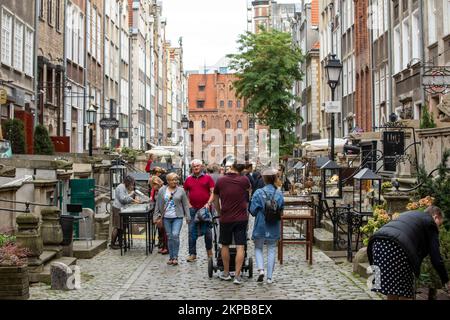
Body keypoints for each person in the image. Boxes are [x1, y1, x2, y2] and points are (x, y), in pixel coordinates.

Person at [367, 206, 450, 300]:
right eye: (440, 224)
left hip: (377, 243)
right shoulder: (430, 223)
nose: (439, 228)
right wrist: (446, 280)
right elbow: (436, 257)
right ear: (435, 217)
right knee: (405, 292)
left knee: (392, 289)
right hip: (397, 247)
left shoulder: (411, 215)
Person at [213, 162, 252, 285]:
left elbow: (215, 199)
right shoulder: (244, 180)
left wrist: (219, 212)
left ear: (230, 169)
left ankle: (225, 273)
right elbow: (248, 195)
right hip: (241, 218)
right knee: (240, 245)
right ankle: (237, 275)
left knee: (225, 245)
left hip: (226, 218)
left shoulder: (220, 180)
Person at [249, 168, 284, 284]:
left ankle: (261, 270)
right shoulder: (279, 193)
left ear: (263, 179)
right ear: (275, 178)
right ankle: (269, 277)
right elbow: (281, 210)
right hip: (273, 225)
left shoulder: (258, 192)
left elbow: (252, 211)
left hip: (260, 224)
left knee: (258, 248)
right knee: (272, 249)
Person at [154, 173, 190, 266]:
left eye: (176, 180)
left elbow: (186, 204)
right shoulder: (162, 190)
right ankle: (171, 257)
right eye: (173, 180)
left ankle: (175, 257)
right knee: (169, 237)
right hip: (166, 217)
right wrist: (155, 217)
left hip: (177, 217)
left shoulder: (181, 190)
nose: (175, 181)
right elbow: (158, 204)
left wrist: (188, 216)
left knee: (175, 235)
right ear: (168, 181)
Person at [184, 159, 215, 262]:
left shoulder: (208, 178)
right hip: (193, 209)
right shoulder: (188, 179)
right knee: (191, 231)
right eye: (194, 166)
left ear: (201, 167)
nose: (196, 168)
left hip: (205, 209)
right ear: (192, 168)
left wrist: (208, 203)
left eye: (198, 166)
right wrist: (188, 204)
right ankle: (192, 254)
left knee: (208, 232)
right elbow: (184, 193)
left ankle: (209, 252)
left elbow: (212, 192)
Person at [111, 176, 140, 250]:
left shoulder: (123, 187)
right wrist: (132, 197)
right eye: (131, 184)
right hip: (117, 208)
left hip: (121, 208)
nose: (132, 185)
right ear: (128, 182)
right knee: (117, 226)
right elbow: (122, 199)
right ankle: (112, 243)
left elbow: (125, 197)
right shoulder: (121, 187)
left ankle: (120, 242)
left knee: (121, 227)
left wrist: (132, 197)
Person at [150, 176, 168, 255]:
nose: (152, 187)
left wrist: (160, 215)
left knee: (164, 231)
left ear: (157, 183)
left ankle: (165, 247)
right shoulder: (156, 190)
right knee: (161, 230)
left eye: (153, 185)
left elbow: (163, 202)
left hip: (163, 212)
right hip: (159, 212)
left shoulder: (163, 190)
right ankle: (163, 245)